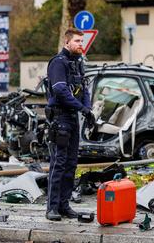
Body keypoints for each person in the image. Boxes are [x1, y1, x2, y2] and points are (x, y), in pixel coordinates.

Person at [44, 28, 93, 221]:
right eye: (78, 41)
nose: (82, 45)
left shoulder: (77, 63)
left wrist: (87, 109)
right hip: (61, 119)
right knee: (59, 164)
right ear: (67, 43)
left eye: (82, 41)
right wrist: (83, 108)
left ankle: (64, 205)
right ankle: (52, 208)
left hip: (73, 118)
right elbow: (61, 92)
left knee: (71, 164)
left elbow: (85, 89)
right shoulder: (58, 63)